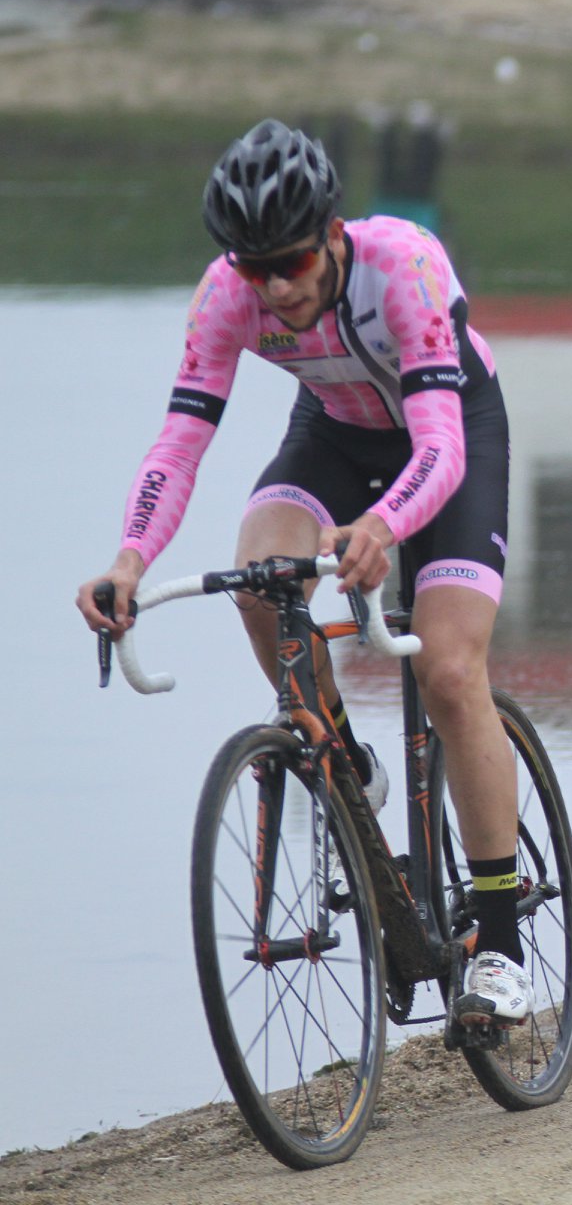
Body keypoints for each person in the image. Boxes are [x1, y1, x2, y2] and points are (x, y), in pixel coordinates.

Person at [77, 119, 533, 1028]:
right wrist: (129, 561)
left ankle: (500, 940)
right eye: (254, 269)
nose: (275, 288)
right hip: (332, 435)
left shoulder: (400, 264)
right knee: (258, 581)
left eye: (289, 261)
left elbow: (438, 443)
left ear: (330, 235)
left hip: (449, 438)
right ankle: (341, 764)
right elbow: (182, 439)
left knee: (446, 669)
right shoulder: (226, 295)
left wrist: (384, 525)